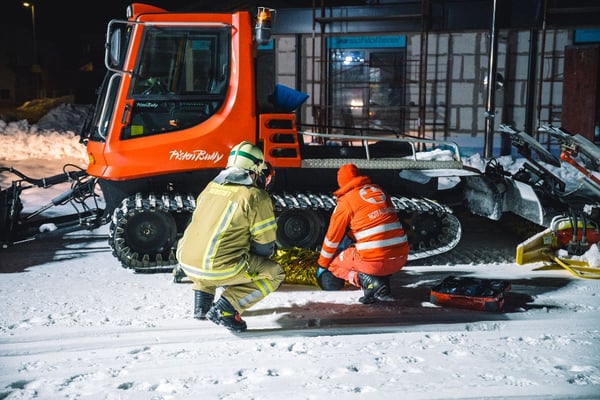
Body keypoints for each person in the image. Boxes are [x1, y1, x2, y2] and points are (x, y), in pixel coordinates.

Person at [176, 141, 285, 332]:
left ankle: (202, 305)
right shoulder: (254, 196)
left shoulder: (210, 187)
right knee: (275, 273)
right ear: (256, 169)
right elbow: (265, 243)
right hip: (217, 268)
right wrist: (255, 263)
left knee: (210, 251)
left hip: (186, 262)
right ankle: (227, 308)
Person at [316, 163, 409, 304]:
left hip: (374, 263)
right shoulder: (380, 191)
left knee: (334, 264)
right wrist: (350, 237)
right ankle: (381, 285)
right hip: (400, 259)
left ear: (341, 183)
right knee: (379, 255)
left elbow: (332, 239)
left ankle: (367, 282)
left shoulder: (346, 201)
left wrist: (322, 265)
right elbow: (376, 224)